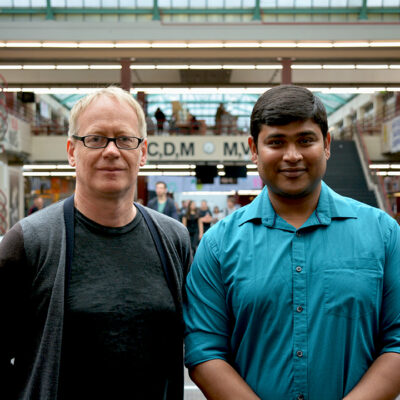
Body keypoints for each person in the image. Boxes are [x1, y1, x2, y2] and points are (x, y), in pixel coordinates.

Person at [183, 85, 400, 400]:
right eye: (276, 142)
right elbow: (204, 349)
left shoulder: (383, 234)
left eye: (305, 140)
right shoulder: (219, 244)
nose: (293, 155)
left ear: (326, 144)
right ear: (254, 150)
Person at [0, 87, 191, 400]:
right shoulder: (28, 242)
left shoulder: (173, 239)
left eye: (125, 139)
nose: (112, 151)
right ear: (72, 151)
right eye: (96, 138)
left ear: (142, 152)